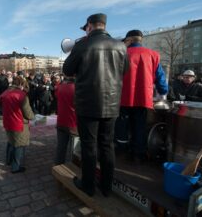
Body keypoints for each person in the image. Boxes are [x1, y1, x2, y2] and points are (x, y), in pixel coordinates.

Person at [63, 13, 129, 197]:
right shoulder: (121, 46)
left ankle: (88, 185)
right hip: (112, 103)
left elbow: (67, 70)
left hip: (88, 104)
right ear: (104, 26)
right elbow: (126, 70)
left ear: (90, 26)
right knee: (107, 145)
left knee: (89, 145)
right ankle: (106, 187)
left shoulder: (83, 44)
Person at [116, 30, 168, 161]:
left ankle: (121, 151)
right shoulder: (153, 55)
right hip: (143, 98)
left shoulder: (121, 54)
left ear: (129, 40)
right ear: (140, 40)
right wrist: (163, 92)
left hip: (123, 98)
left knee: (122, 125)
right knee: (139, 126)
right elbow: (161, 77)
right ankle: (138, 154)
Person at [0, 76, 34, 173]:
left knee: (11, 142)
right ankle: (16, 167)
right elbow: (28, 113)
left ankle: (8, 161)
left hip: (8, 121)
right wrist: (32, 117)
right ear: (20, 84)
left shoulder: (6, 92)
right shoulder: (21, 95)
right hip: (18, 122)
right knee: (19, 145)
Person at [55, 76, 77, 165]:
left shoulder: (60, 87)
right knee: (75, 150)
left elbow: (56, 95)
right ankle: (74, 168)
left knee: (61, 147)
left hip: (61, 121)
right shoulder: (77, 88)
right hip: (73, 123)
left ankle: (58, 167)